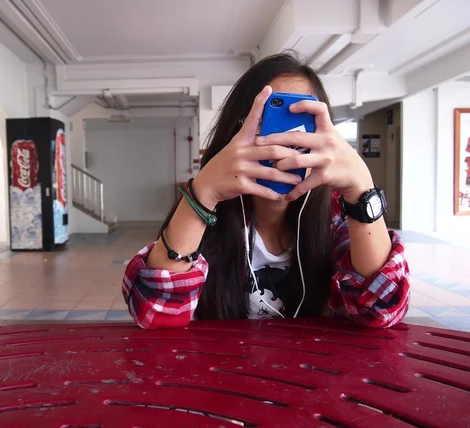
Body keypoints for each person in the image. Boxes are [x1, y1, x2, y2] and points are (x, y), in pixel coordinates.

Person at [122, 53, 410, 329]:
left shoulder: (336, 215)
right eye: (267, 122)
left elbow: (380, 312)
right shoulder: (207, 214)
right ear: (235, 133)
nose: (282, 143)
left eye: (302, 125)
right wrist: (204, 192)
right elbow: (154, 314)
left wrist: (363, 191)